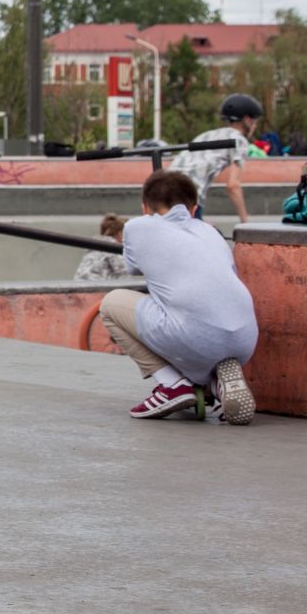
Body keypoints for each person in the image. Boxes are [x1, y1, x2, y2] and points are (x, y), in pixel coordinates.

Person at [98, 169, 257, 424]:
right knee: (184, 311)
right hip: (244, 340)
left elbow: (133, 267)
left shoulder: (137, 227)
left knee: (110, 305)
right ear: (194, 208)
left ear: (144, 208)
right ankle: (215, 385)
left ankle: (173, 386)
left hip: (196, 336)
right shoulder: (210, 231)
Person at [170, 93, 261, 221]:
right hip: (188, 195)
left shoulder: (208, 134)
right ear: (247, 120)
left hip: (164, 187)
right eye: (255, 122)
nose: (255, 127)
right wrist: (244, 221)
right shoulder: (239, 141)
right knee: (197, 238)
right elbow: (232, 185)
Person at [72, 214, 130, 281]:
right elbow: (124, 272)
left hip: (78, 285)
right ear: (119, 233)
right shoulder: (113, 246)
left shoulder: (94, 246)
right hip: (96, 287)